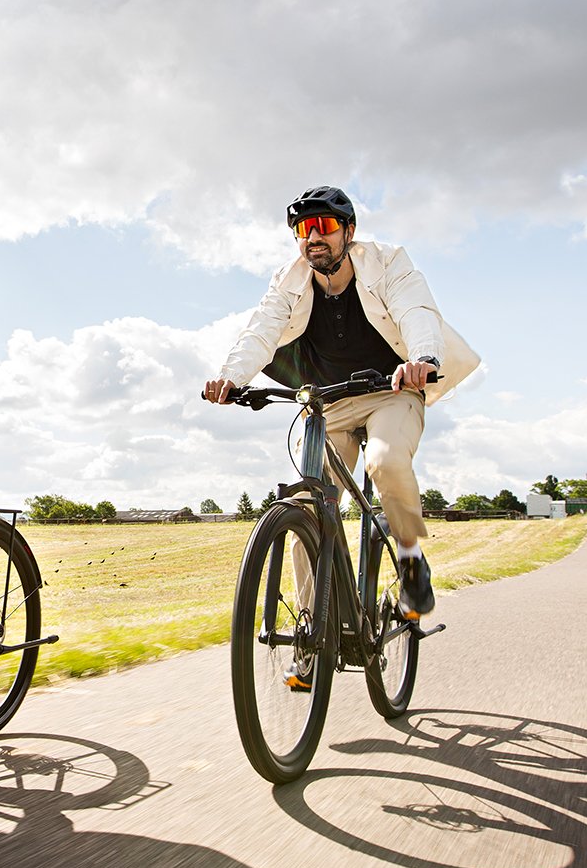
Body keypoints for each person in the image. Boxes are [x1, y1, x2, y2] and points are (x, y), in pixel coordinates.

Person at [203, 185, 478, 634]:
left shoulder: (387, 263)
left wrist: (423, 359)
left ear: (348, 231)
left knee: (386, 461)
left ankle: (410, 558)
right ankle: (316, 631)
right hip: (329, 402)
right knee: (306, 505)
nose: (314, 236)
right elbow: (262, 330)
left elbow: (416, 310)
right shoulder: (288, 280)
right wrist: (231, 377)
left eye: (325, 226)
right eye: (303, 229)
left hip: (391, 390)